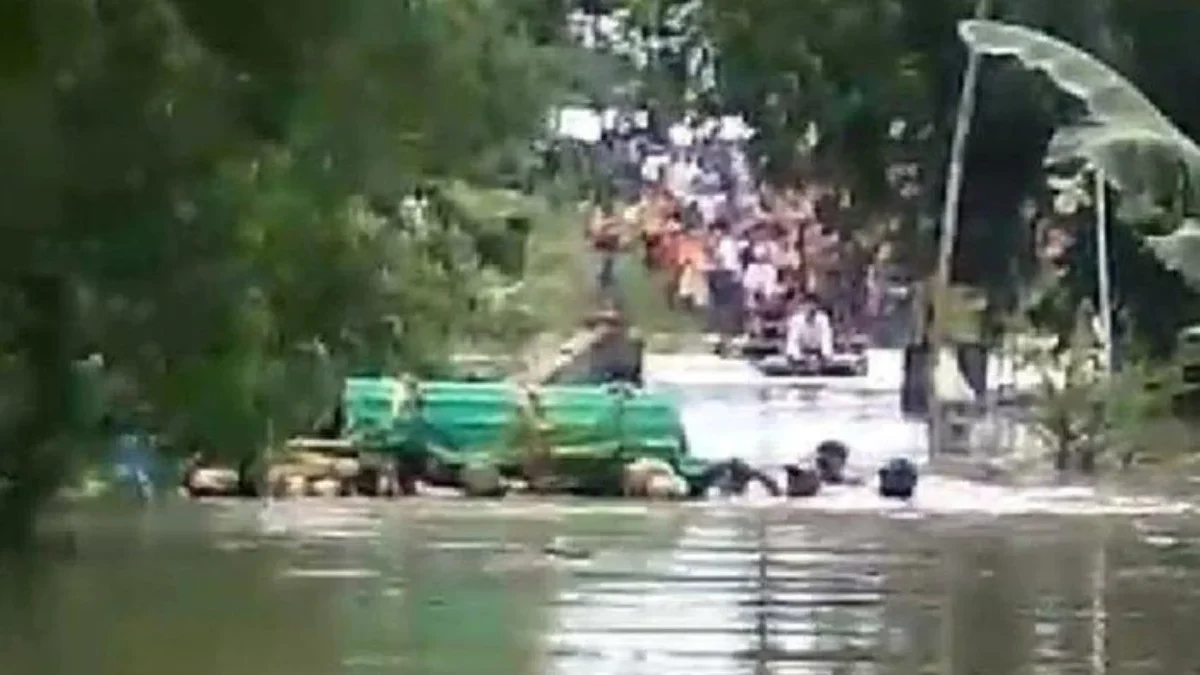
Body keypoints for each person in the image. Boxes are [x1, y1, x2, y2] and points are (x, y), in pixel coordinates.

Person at [785, 294, 834, 365]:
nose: (810, 307)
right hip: (801, 354)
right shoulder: (795, 320)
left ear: (817, 307)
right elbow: (793, 340)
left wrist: (826, 354)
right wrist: (795, 356)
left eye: (813, 305)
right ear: (803, 306)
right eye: (808, 304)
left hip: (819, 354)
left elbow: (826, 338)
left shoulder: (823, 319)